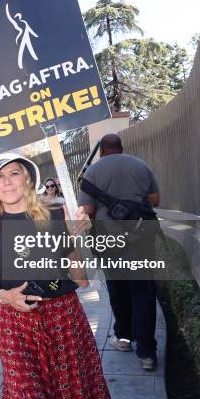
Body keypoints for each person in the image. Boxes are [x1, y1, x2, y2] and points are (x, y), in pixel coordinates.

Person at [0, 152, 113, 399]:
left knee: (71, 392)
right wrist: (6, 297)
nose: (7, 182)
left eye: (14, 173)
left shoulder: (57, 215)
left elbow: (82, 280)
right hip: (14, 323)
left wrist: (76, 238)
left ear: (27, 179)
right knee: (27, 398)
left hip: (63, 316)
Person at [78, 133, 161, 371]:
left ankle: (123, 339)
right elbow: (155, 199)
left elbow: (88, 209)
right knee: (143, 293)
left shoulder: (93, 173)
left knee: (118, 290)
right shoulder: (140, 166)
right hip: (141, 239)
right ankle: (147, 354)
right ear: (121, 148)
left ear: (102, 151)